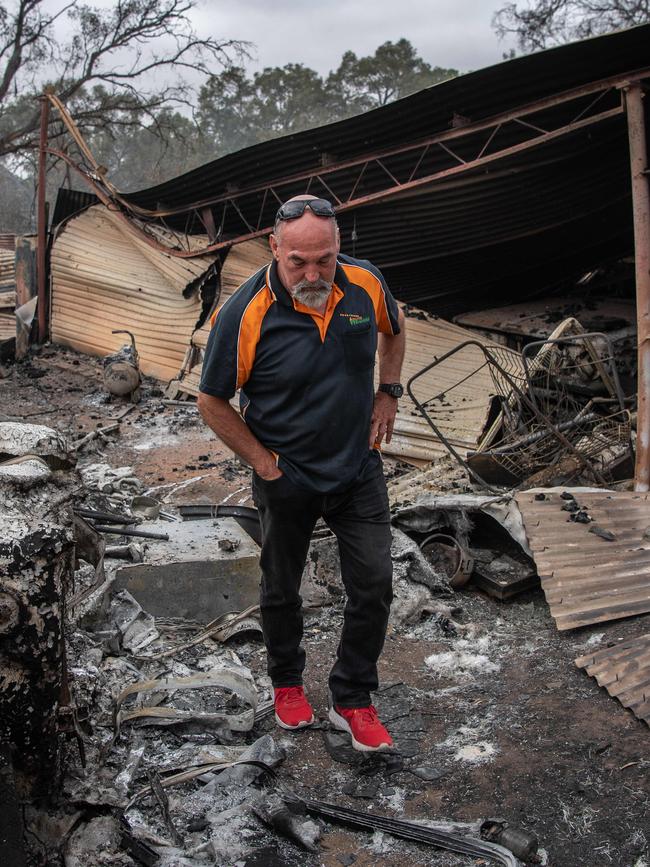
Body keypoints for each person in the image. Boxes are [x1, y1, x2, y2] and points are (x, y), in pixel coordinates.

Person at [197, 195, 406, 752]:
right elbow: (212, 402)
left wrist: (387, 392)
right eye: (298, 263)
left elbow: (396, 328)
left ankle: (353, 699)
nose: (313, 273)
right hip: (287, 477)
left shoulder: (364, 284)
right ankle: (287, 683)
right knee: (281, 587)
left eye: (325, 259)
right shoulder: (244, 312)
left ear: (339, 249)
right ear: (275, 249)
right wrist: (266, 465)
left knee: (374, 584)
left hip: (357, 469)